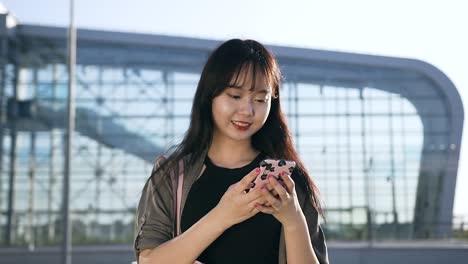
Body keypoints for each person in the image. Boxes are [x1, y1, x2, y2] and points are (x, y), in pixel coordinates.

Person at [133, 39, 328, 264]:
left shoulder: (287, 182)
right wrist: (223, 215)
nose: (247, 110)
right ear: (210, 96)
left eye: (260, 99)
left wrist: (293, 220)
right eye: (235, 96)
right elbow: (149, 260)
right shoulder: (172, 175)